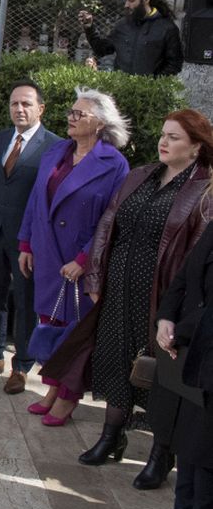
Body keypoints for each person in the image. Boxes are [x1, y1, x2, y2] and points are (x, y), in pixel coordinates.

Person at [41, 111, 212, 481]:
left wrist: (181, 308)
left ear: (197, 148)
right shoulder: (141, 174)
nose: (164, 142)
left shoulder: (203, 190)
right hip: (118, 287)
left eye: (175, 138)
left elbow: (197, 255)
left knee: (159, 375)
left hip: (161, 296)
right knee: (115, 360)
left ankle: (160, 453)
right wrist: (97, 274)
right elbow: (107, 225)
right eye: (163, 135)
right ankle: (110, 437)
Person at [17, 87, 130, 425]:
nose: (71, 117)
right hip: (48, 255)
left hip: (77, 262)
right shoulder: (56, 152)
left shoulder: (114, 163)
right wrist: (26, 242)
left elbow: (111, 220)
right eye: (71, 111)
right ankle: (52, 388)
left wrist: (84, 260)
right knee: (50, 324)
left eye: (79, 114)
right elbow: (36, 201)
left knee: (75, 332)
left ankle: (68, 397)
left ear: (100, 123)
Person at [0, 82, 61, 392]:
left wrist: (34, 240)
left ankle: (21, 365)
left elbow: (50, 199)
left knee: (25, 300)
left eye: (26, 104)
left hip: (27, 241)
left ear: (40, 109)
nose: (19, 109)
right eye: (14, 103)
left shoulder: (54, 147)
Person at [142, 222, 213, 509]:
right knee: (186, 440)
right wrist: (165, 319)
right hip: (191, 352)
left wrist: (179, 333)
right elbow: (184, 277)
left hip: (205, 349)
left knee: (205, 448)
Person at [80, 0, 183, 76]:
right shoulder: (122, 25)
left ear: (146, 0)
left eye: (131, 1)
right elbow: (102, 49)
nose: (126, 5)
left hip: (149, 93)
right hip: (121, 88)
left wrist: (152, 83)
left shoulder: (167, 28)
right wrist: (89, 28)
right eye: (126, 1)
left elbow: (174, 64)